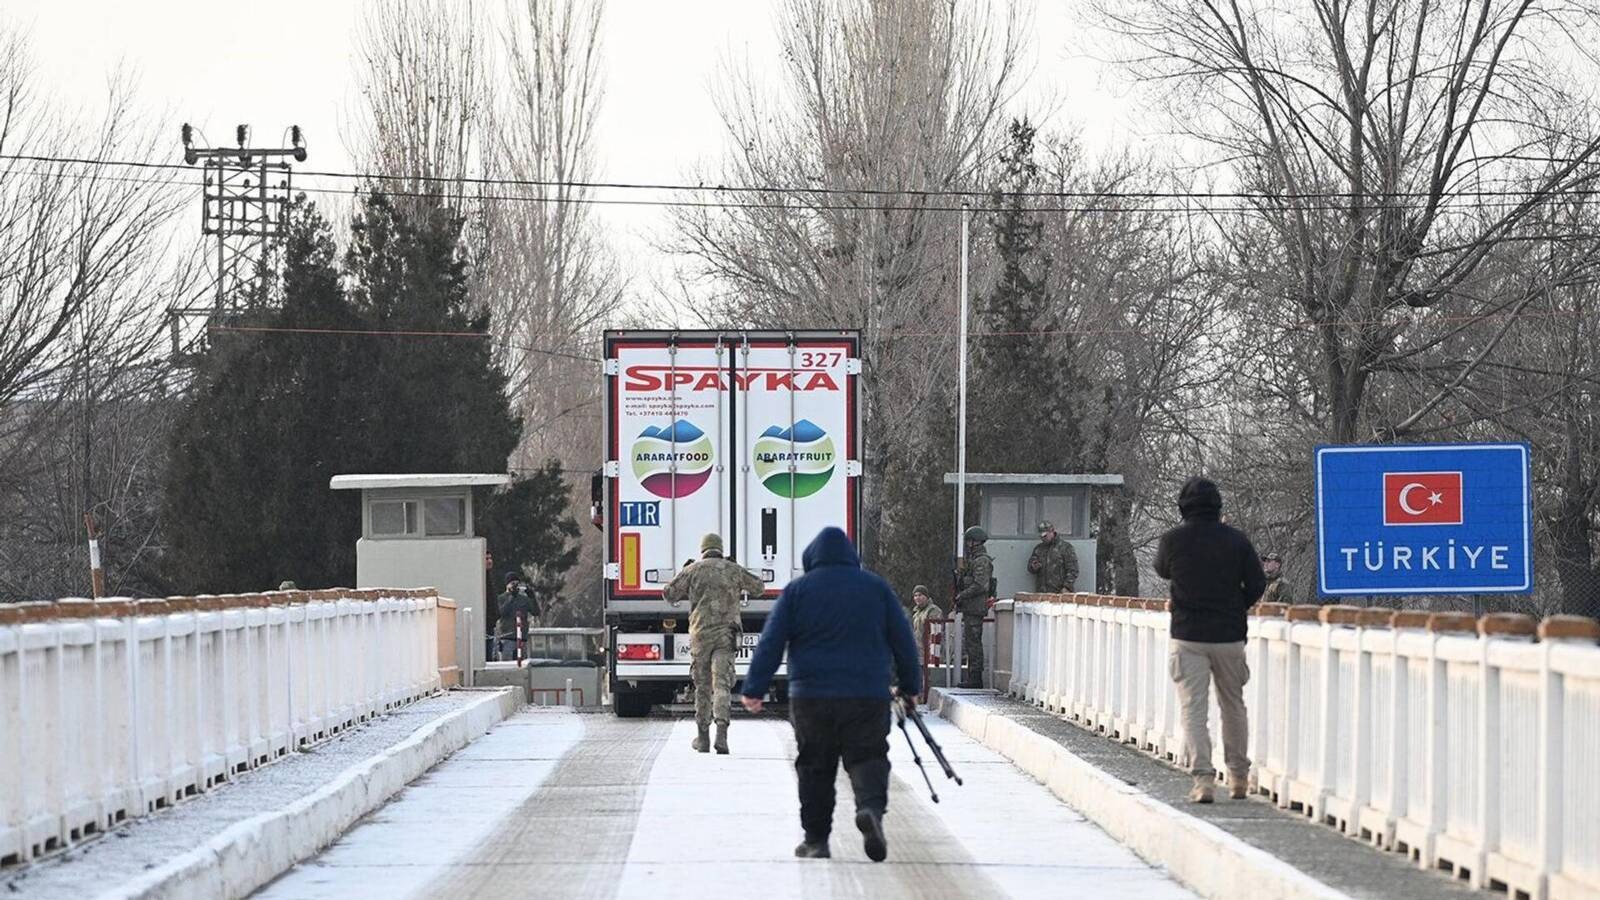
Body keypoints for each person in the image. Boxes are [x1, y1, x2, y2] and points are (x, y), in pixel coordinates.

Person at [740, 527, 921, 863]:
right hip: (866, 695)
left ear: (812, 558)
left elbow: (771, 641)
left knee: (815, 765)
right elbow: (904, 641)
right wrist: (910, 687)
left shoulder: (797, 591)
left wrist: (754, 688)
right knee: (868, 756)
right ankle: (869, 810)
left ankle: (816, 840)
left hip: (811, 696)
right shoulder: (876, 589)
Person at [1154, 476, 1266, 804]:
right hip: (1229, 636)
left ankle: (1203, 779)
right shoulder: (1237, 541)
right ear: (1219, 507)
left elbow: (1162, 570)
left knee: (1193, 709)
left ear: (1182, 508)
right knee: (1233, 705)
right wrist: (1236, 607)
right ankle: (1238, 776)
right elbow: (1257, 583)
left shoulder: (1173, 540)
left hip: (1188, 635)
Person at [663, 533, 763, 754]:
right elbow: (759, 587)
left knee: (703, 687)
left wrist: (684, 571)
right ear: (720, 548)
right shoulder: (732, 569)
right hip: (726, 636)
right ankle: (722, 735)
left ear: (703, 550)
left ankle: (703, 738)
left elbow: (668, 594)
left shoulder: (694, 570)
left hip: (700, 636)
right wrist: (736, 569)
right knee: (722, 685)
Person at [952, 526, 993, 688]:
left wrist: (962, 595)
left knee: (974, 643)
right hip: (971, 607)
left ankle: (975, 678)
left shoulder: (981, 560)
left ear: (975, 542)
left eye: (969, 541)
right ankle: (972, 677)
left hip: (975, 607)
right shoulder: (974, 560)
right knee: (970, 642)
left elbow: (980, 585)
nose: (968, 544)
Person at [1027, 520, 1080, 594]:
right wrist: (1034, 566)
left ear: (1052, 532)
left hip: (1060, 593)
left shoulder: (1065, 547)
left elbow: (1073, 570)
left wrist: (1067, 587)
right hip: (1042, 593)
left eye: (1045, 536)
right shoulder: (1038, 549)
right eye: (1041, 536)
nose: (1043, 538)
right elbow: (1030, 566)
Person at [495, 572, 535, 662]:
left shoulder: (523, 599)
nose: (515, 586)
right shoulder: (501, 598)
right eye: (513, 584)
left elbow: (535, 612)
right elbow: (501, 612)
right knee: (507, 664)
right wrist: (511, 597)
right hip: (507, 637)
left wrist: (532, 597)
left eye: (517, 584)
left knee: (522, 663)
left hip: (522, 638)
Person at [907, 585, 944, 678]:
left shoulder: (933, 610)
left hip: (929, 651)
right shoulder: (917, 613)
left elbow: (936, 631)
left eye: (920, 595)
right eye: (915, 595)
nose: (917, 598)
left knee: (929, 679)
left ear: (926, 596)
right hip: (918, 651)